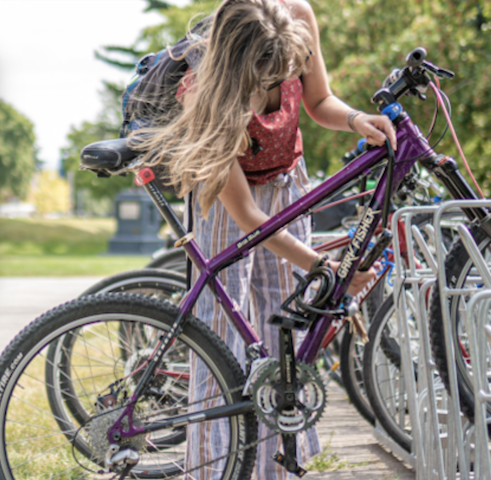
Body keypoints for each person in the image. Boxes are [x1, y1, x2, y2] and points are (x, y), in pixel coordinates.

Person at [129, 0, 396, 477]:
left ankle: (278, 467)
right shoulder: (208, 91)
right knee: (222, 342)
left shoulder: (296, 16)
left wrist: (356, 119)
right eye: (268, 83)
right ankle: (215, 470)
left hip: (287, 180)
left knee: (285, 332)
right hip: (228, 197)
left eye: (285, 75)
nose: (278, 88)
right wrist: (327, 268)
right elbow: (250, 219)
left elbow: (317, 102)